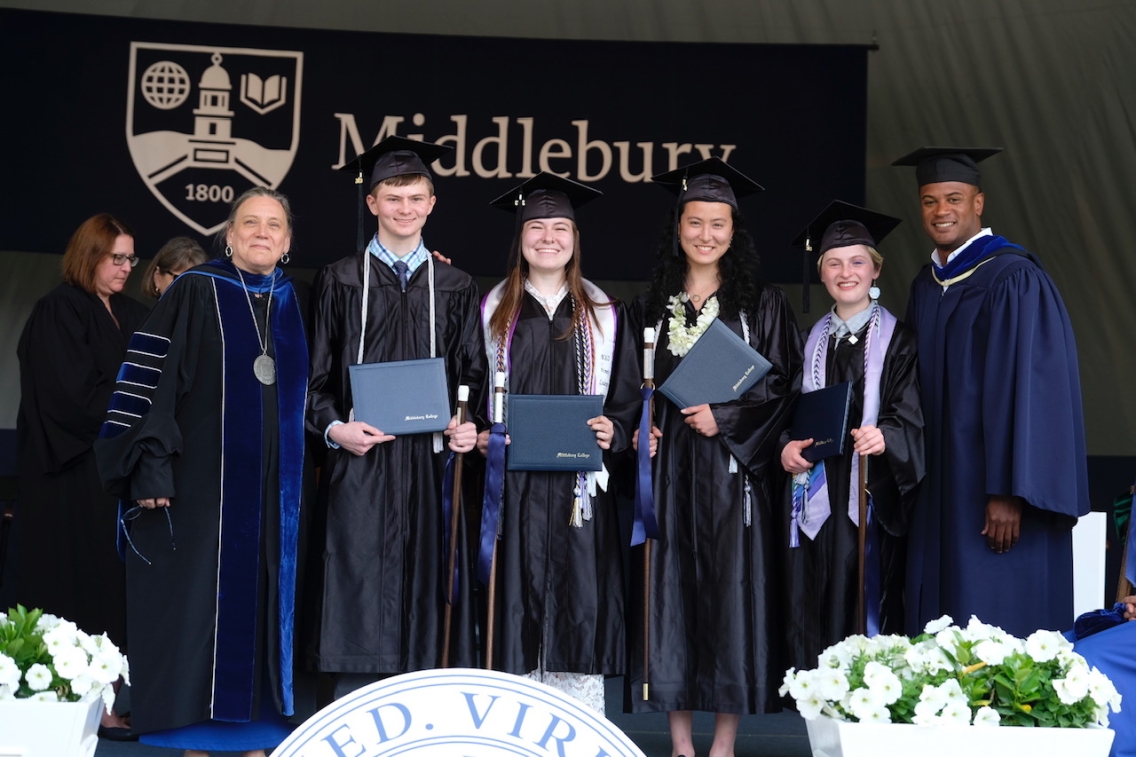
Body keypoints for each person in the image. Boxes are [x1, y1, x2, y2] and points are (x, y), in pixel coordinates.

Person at [94, 187, 307, 756]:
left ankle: (259, 735)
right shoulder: (195, 290)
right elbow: (149, 386)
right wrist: (151, 471)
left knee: (267, 607)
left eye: (274, 225)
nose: (262, 232)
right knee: (196, 611)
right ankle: (195, 739)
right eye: (250, 223)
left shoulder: (293, 301)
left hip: (275, 497)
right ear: (229, 235)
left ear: (287, 242)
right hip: (199, 491)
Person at [627, 158, 803, 757]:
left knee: (734, 594)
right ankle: (680, 743)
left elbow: (783, 388)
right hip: (670, 472)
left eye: (718, 224)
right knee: (670, 593)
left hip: (734, 476)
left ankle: (724, 745)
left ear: (735, 231)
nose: (706, 234)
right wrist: (639, 429)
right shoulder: (649, 305)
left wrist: (723, 418)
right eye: (695, 222)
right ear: (677, 227)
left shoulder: (763, 305)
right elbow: (626, 387)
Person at [306, 136, 485, 700]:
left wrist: (465, 421)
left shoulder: (454, 285)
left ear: (432, 204)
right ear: (373, 204)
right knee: (356, 579)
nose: (404, 208)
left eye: (415, 197)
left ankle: (426, 720)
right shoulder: (339, 279)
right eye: (393, 197)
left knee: (430, 586)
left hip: (431, 467)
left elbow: (472, 374)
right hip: (360, 465)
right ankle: (355, 717)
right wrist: (335, 429)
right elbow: (313, 380)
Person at [892, 146, 1088, 638]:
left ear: (978, 203)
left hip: (988, 489)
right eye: (930, 201)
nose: (942, 211)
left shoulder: (1013, 278)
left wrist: (1008, 491)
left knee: (991, 618)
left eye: (954, 198)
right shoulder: (926, 284)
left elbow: (1029, 396)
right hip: (938, 485)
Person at [478, 173, 638, 713]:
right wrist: (480, 432)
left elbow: (625, 397)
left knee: (578, 600)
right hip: (515, 489)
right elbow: (472, 388)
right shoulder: (491, 312)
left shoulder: (606, 315)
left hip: (578, 494)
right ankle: (510, 723)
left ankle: (575, 724)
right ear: (520, 237)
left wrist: (615, 428)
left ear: (575, 237)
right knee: (513, 599)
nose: (549, 237)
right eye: (537, 227)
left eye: (561, 227)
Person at [16, 212, 149, 735]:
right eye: (115, 258)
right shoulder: (59, 311)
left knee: (114, 589)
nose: (124, 268)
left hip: (117, 476)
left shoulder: (129, 312)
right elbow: (69, 398)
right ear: (88, 256)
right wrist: (138, 411)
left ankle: (114, 699)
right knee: (75, 589)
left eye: (129, 258)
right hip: (71, 476)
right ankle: (82, 706)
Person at [779, 201, 925, 670]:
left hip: (868, 495)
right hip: (813, 493)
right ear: (821, 275)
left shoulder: (900, 340)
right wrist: (784, 445)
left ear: (875, 269)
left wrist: (887, 436)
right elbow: (782, 410)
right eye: (834, 264)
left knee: (866, 599)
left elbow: (910, 411)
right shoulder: (804, 340)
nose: (847, 273)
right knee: (812, 599)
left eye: (857, 261)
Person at [141, 236, 208, 299]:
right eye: (179, 279)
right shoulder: (141, 310)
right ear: (158, 277)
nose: (187, 289)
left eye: (195, 281)